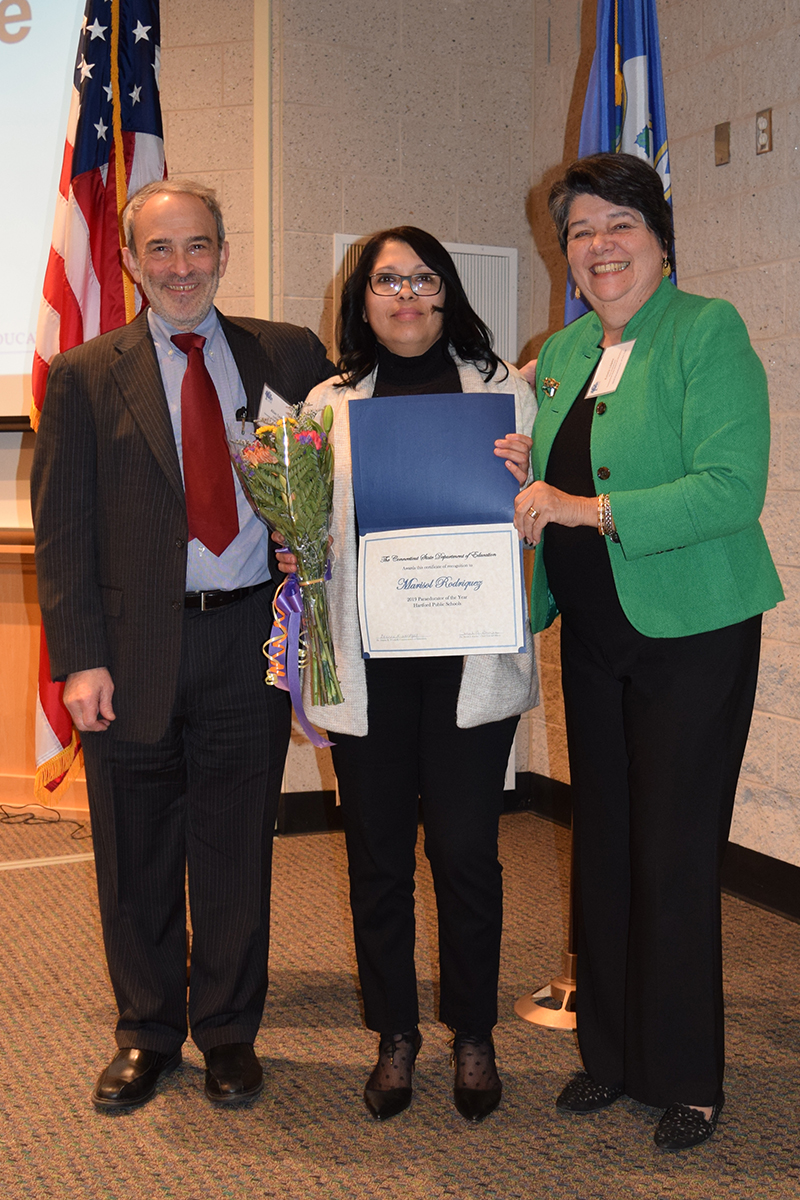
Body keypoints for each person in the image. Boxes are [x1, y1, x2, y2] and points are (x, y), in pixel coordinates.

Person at [31, 179, 335, 1111]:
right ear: (127, 262)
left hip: (251, 638)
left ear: (223, 251)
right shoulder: (86, 373)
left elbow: (337, 465)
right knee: (137, 851)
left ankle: (231, 1032)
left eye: (197, 246)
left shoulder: (285, 354)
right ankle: (150, 1031)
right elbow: (65, 527)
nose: (180, 267)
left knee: (239, 846)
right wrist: (79, 658)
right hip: (129, 652)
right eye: (158, 250)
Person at [514, 153, 784, 1149]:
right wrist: (528, 462)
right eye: (579, 233)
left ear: (659, 240)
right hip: (593, 635)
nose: (598, 246)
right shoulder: (564, 350)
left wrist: (582, 504)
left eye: (618, 224)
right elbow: (572, 459)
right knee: (607, 844)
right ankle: (610, 1056)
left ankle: (685, 1076)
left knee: (670, 851)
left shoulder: (704, 330)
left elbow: (728, 488)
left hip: (691, 635)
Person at [276, 226, 538, 1123]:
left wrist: (530, 484)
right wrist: (297, 538)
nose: (406, 296)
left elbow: (533, 521)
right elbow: (311, 530)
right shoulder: (328, 401)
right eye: (388, 281)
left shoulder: (506, 393)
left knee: (466, 853)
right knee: (377, 857)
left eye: (424, 279)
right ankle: (396, 1035)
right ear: (364, 298)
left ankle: (473, 1032)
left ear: (448, 291)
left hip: (469, 663)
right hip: (370, 663)